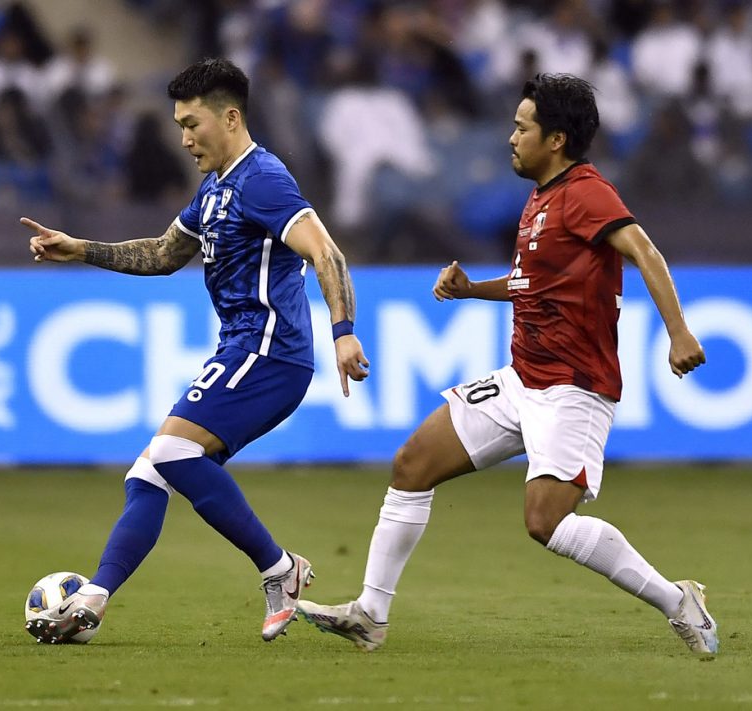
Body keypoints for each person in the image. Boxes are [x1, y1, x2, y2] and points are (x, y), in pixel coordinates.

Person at [296, 73, 718, 655]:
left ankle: (679, 602)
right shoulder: (541, 198)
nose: (511, 137)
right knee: (412, 464)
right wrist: (474, 291)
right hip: (523, 379)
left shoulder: (587, 192)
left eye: (522, 128)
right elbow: (536, 283)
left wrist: (679, 333)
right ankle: (370, 614)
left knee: (545, 522)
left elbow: (644, 250)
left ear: (557, 140)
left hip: (573, 389)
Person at [20, 58, 369, 644]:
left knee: (176, 452)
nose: (183, 138)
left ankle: (280, 569)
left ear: (230, 118)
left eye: (192, 124)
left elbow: (326, 252)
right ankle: (96, 595)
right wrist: (81, 248)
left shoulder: (263, 179)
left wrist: (344, 332)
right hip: (238, 348)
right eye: (179, 125)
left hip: (269, 351)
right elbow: (162, 253)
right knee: (148, 472)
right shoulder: (213, 190)